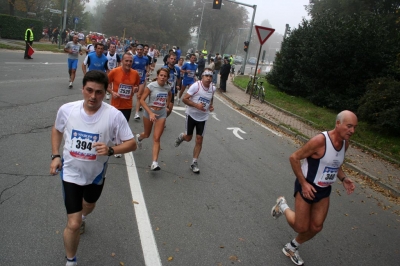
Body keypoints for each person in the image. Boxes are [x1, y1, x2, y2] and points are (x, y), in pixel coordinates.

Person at [49, 70, 137, 266]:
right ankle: (71, 261)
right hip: (70, 173)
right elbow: (57, 129)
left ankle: (83, 214)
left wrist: (111, 149)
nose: (93, 96)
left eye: (98, 92)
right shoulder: (67, 110)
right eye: (89, 90)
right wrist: (55, 155)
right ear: (82, 89)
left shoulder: (113, 116)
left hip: (96, 175)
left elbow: (132, 143)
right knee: (73, 223)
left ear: (105, 92)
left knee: (89, 205)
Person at [271, 110, 358, 266]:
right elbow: (294, 157)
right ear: (338, 124)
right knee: (300, 226)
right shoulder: (320, 141)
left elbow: (335, 164)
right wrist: (304, 184)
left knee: (316, 226)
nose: (352, 131)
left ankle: (291, 247)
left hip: (324, 191)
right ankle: (282, 206)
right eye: (349, 126)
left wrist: (344, 178)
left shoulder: (345, 143)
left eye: (354, 127)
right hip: (307, 187)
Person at [174, 68, 215, 173]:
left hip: (203, 117)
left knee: (199, 139)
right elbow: (184, 99)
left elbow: (211, 98)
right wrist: (196, 105)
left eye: (210, 76)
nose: (209, 78)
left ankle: (194, 162)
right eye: (207, 76)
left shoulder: (212, 88)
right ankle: (182, 136)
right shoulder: (196, 86)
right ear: (202, 76)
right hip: (191, 115)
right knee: (188, 138)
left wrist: (210, 106)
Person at [135, 68, 172, 171]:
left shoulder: (168, 87)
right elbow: (142, 100)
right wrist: (151, 113)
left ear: (167, 78)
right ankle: (139, 138)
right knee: (147, 134)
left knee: (156, 138)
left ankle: (154, 163)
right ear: (157, 75)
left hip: (161, 114)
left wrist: (167, 105)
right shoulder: (151, 86)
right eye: (161, 75)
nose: (163, 77)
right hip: (149, 112)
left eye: (165, 76)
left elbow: (170, 95)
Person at [131, 44, 150, 120]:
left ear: (143, 51)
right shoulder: (133, 58)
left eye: (140, 50)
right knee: (131, 94)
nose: (139, 51)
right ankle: (128, 107)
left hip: (141, 79)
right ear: (136, 50)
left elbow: (147, 66)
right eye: (138, 50)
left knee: (139, 96)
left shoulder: (146, 59)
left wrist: (147, 71)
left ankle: (136, 113)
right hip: (133, 79)